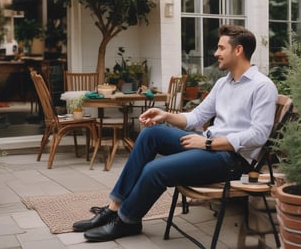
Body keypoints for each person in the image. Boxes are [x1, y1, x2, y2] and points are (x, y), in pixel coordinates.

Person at [72, 24, 278, 242]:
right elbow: (196, 118)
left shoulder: (262, 87)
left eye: (220, 48)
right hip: (208, 146)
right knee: (152, 134)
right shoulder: (223, 83)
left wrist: (208, 144)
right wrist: (165, 115)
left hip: (232, 159)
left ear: (238, 51)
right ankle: (113, 208)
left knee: (155, 170)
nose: (216, 53)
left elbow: (258, 135)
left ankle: (127, 221)